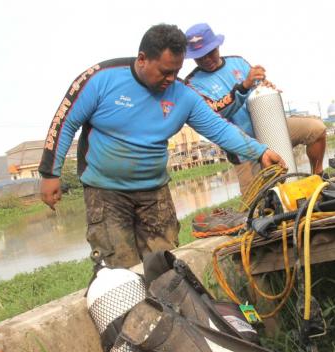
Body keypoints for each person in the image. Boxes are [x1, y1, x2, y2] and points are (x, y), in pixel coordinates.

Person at [38, 24, 285, 268]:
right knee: (120, 271)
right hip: (106, 193)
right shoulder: (101, 79)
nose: (171, 79)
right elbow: (65, 122)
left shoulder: (182, 95)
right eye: (165, 71)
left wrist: (260, 151)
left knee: (165, 267)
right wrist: (51, 174)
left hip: (154, 192)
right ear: (143, 59)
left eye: (176, 71)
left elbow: (219, 128)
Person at [184, 23, 326, 193]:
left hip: (272, 128)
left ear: (217, 46)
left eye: (210, 53)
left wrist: (263, 85)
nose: (207, 59)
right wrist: (244, 86)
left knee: (316, 129)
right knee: (254, 208)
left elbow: (256, 85)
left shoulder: (238, 62)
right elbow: (214, 114)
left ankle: (317, 176)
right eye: (200, 56)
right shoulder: (193, 84)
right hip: (243, 148)